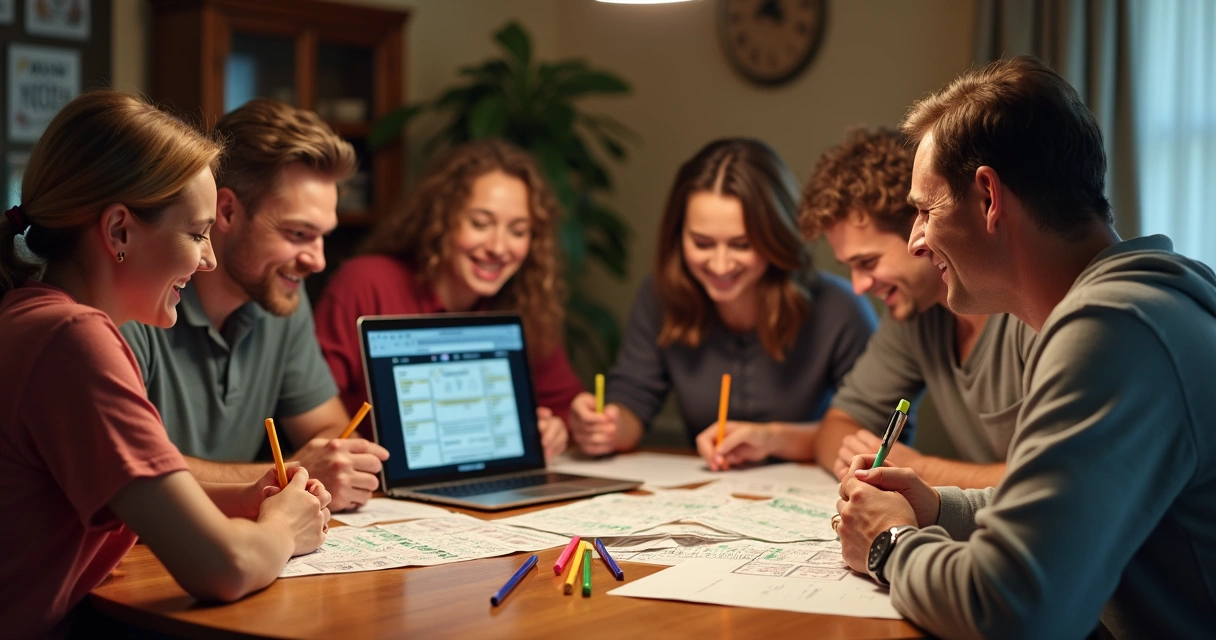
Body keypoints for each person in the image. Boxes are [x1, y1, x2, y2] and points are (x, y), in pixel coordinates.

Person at [835, 55, 1216, 638]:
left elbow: (1014, 608)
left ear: (988, 197)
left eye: (923, 209)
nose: (915, 240)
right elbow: (1073, 517)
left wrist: (890, 545)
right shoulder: (1148, 303)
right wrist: (939, 508)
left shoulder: (1112, 331)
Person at [0, 90, 330, 638]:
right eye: (197, 233)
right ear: (118, 231)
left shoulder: (28, 316)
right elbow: (224, 567)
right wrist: (283, 527)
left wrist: (244, 497)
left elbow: (130, 492)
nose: (209, 259)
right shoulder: (74, 340)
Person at [703, 127, 1034, 488]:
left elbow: (1064, 480)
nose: (859, 286)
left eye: (869, 262)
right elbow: (837, 427)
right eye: (850, 267)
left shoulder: (1032, 311)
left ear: (922, 226)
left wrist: (920, 469)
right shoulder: (913, 315)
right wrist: (868, 458)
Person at [120, 99, 389, 512]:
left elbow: (332, 430)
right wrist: (298, 470)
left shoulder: (281, 298)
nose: (317, 260)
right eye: (298, 233)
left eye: (323, 237)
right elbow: (127, 467)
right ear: (225, 211)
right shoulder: (135, 299)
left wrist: (340, 461)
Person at [569, 138, 877, 456]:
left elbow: (872, 434)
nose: (719, 265)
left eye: (741, 245)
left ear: (776, 237)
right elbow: (634, 397)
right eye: (702, 243)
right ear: (678, 236)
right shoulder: (661, 296)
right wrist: (605, 427)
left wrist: (773, 438)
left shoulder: (839, 308)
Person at [313, 139, 578, 460]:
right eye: (480, 224)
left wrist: (556, 430)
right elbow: (312, 411)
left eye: (518, 231)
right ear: (441, 219)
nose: (498, 246)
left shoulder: (526, 303)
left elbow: (567, 404)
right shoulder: (366, 283)